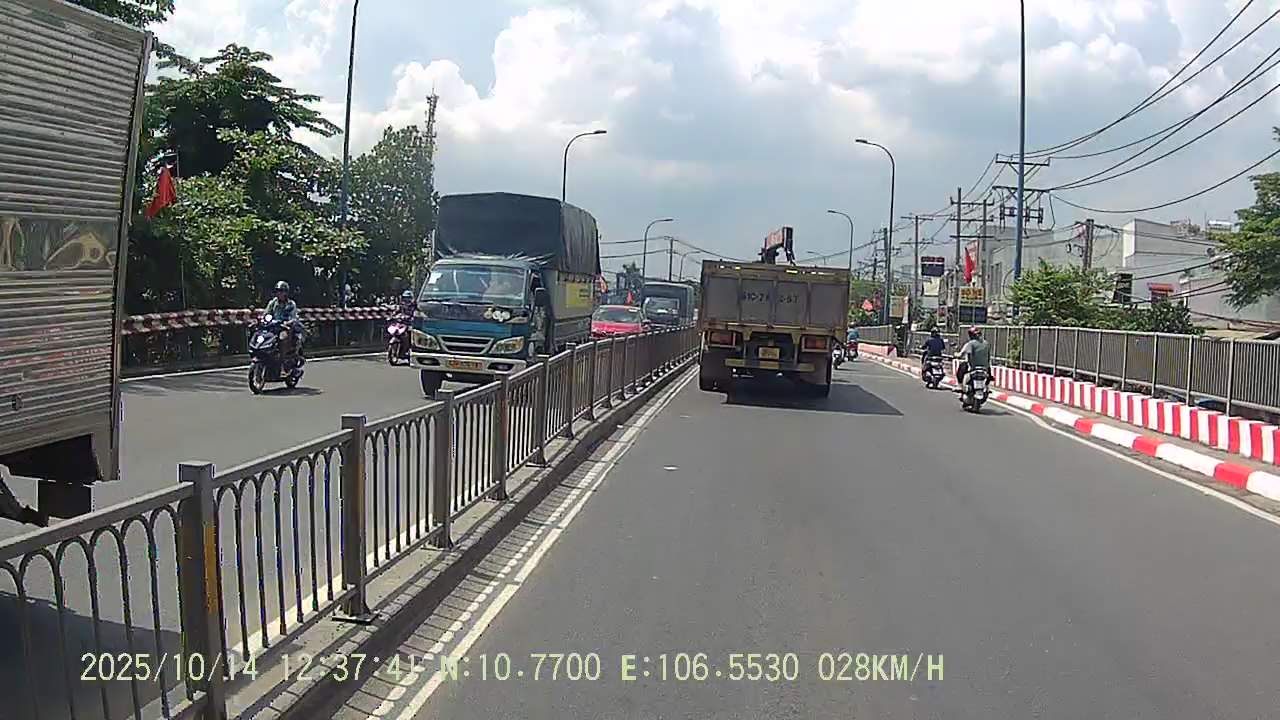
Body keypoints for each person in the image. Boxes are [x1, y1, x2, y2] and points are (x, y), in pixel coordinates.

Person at [265, 280, 305, 363]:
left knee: (282, 338)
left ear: (286, 292)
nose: (279, 293)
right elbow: (266, 313)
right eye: (277, 291)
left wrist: (287, 322)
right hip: (273, 327)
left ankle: (282, 361)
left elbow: (293, 317)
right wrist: (263, 319)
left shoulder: (291, 304)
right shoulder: (273, 303)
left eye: (281, 291)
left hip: (284, 328)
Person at [955, 326, 991, 390]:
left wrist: (956, 354)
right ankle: (987, 387)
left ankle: (960, 386)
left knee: (961, 369)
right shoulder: (986, 343)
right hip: (985, 367)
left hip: (973, 367)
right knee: (989, 375)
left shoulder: (970, 344)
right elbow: (988, 357)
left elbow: (966, 355)